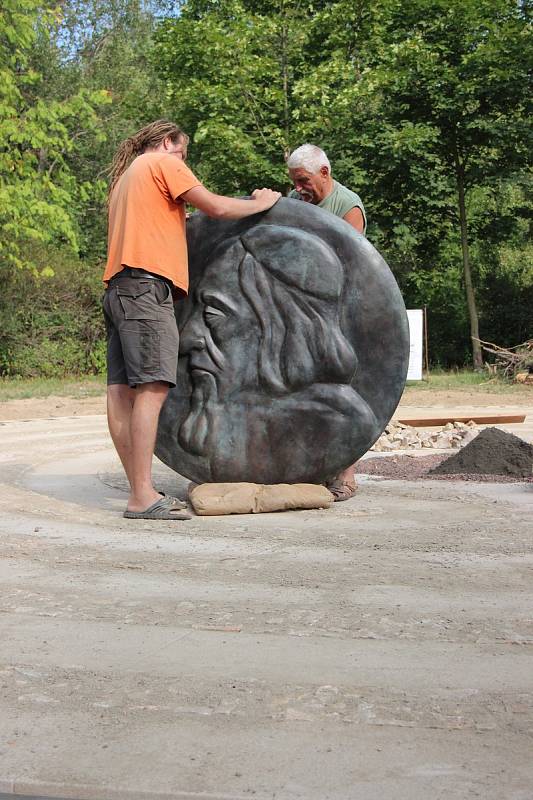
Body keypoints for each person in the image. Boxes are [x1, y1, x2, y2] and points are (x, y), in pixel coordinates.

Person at [103, 119, 280, 520]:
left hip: (118, 290)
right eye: (183, 153)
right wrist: (261, 203)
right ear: (168, 142)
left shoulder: (126, 182)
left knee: (120, 394)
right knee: (152, 388)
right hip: (147, 291)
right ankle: (143, 497)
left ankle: (139, 488)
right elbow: (215, 207)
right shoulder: (163, 163)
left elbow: (167, 226)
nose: (183, 161)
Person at [287, 143, 366, 501]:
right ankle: (309, 467)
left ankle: (346, 474)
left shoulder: (348, 206)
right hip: (301, 310)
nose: (299, 188)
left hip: (339, 310)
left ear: (324, 172)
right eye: (294, 182)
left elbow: (351, 262)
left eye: (304, 181)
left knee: (343, 387)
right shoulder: (295, 198)